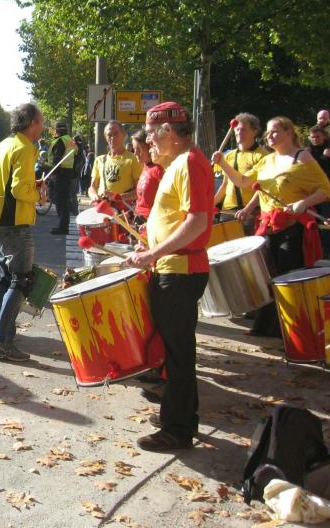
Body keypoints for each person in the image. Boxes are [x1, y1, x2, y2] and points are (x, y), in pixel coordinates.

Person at [127, 101, 213, 452]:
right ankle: (182, 416)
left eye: (151, 133)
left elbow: (197, 221)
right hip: (172, 268)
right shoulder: (178, 162)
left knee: (178, 353)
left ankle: (177, 429)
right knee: (176, 350)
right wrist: (150, 244)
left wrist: (153, 253)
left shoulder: (190, 161)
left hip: (179, 271)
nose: (148, 141)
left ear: (169, 131)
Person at [213, 116, 330, 336]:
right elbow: (244, 182)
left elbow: (325, 189)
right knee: (265, 277)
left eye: (275, 131)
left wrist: (304, 203)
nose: (269, 136)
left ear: (288, 132)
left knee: (285, 278)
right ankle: (265, 327)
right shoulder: (267, 161)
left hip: (292, 227)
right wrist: (223, 164)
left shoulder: (302, 157)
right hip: (268, 226)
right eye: (268, 132)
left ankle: (289, 332)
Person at [0, 103, 47, 362]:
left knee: (7, 277)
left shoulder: (4, 145)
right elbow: (19, 190)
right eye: (41, 122)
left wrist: (31, 185)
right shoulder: (24, 148)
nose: (43, 127)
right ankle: (2, 341)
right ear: (31, 123)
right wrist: (38, 195)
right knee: (22, 280)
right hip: (13, 222)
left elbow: (9, 183)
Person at [213, 113, 269, 233]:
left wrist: (248, 209)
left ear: (254, 131)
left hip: (251, 212)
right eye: (237, 129)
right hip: (228, 211)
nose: (239, 132)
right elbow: (225, 185)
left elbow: (263, 188)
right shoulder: (229, 156)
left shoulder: (263, 156)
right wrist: (211, 204)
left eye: (243, 129)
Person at [89, 120, 143, 206]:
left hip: (124, 210)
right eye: (109, 135)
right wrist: (94, 196)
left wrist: (118, 197)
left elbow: (140, 191)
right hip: (103, 208)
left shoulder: (133, 159)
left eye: (116, 133)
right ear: (105, 137)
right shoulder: (99, 160)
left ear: (123, 135)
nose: (112, 137)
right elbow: (92, 187)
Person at [46, 121, 78, 235]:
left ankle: (62, 227)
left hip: (60, 173)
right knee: (63, 200)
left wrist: (52, 173)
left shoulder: (60, 141)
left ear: (57, 130)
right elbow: (76, 156)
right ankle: (64, 224)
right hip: (68, 173)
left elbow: (57, 158)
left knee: (60, 201)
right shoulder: (70, 141)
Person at [130, 130, 165, 221]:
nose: (135, 153)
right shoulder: (145, 166)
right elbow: (142, 200)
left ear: (149, 147)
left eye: (138, 149)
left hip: (151, 221)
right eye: (134, 149)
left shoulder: (159, 170)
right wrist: (129, 214)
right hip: (139, 219)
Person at [308, 121, 330, 256]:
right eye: (313, 137)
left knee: (326, 220)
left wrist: (326, 157)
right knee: (315, 222)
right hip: (312, 192)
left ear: (324, 137)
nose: (315, 139)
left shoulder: (328, 149)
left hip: (326, 192)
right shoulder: (307, 151)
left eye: (318, 137)